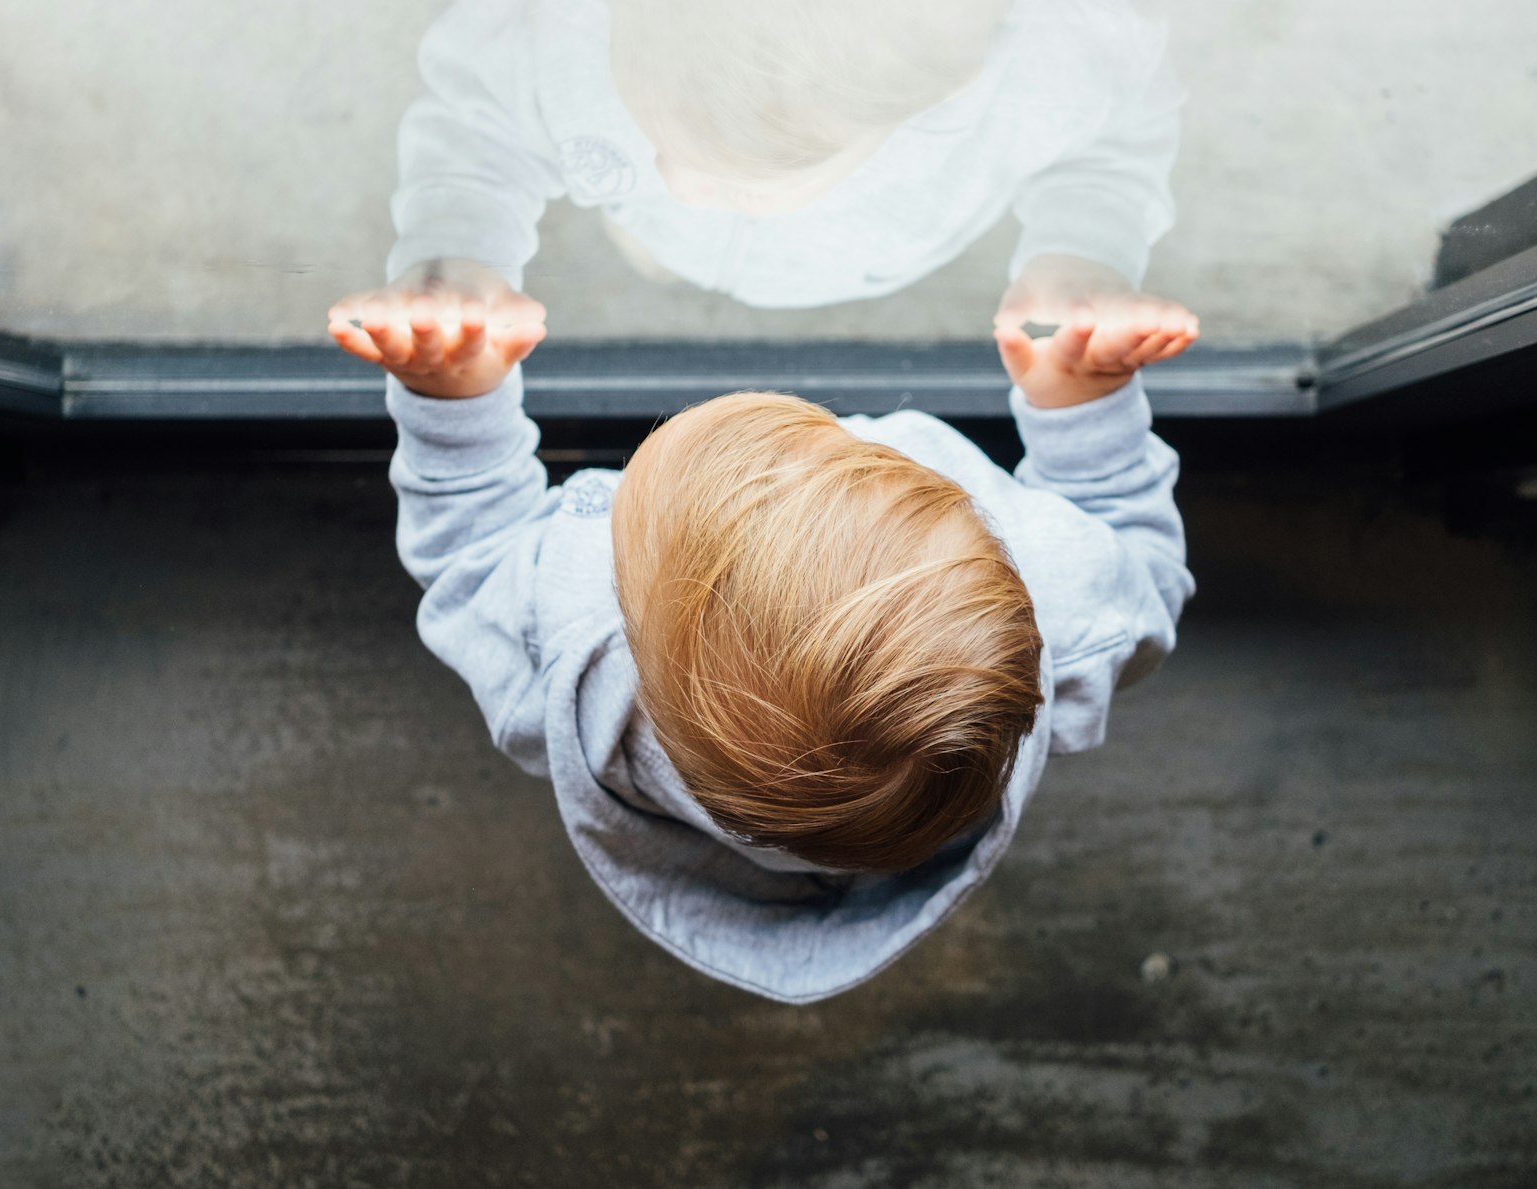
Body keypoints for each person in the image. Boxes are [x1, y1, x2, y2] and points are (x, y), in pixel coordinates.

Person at [322, 287, 1199, 1003]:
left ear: (626, 605)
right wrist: (1083, 407)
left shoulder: (574, 656)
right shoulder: (1060, 589)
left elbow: (475, 558)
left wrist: (452, 397)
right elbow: (1145, 574)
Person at [377, 0, 1187, 332]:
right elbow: (481, 118)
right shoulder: (556, 0)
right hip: (650, 236)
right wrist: (459, 248)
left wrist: (1081, 252)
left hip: (881, 256)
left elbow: (1112, 147)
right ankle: (660, 257)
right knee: (654, 234)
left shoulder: (1057, 61)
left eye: (736, 177)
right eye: (653, 130)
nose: (679, 184)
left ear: (923, 105)